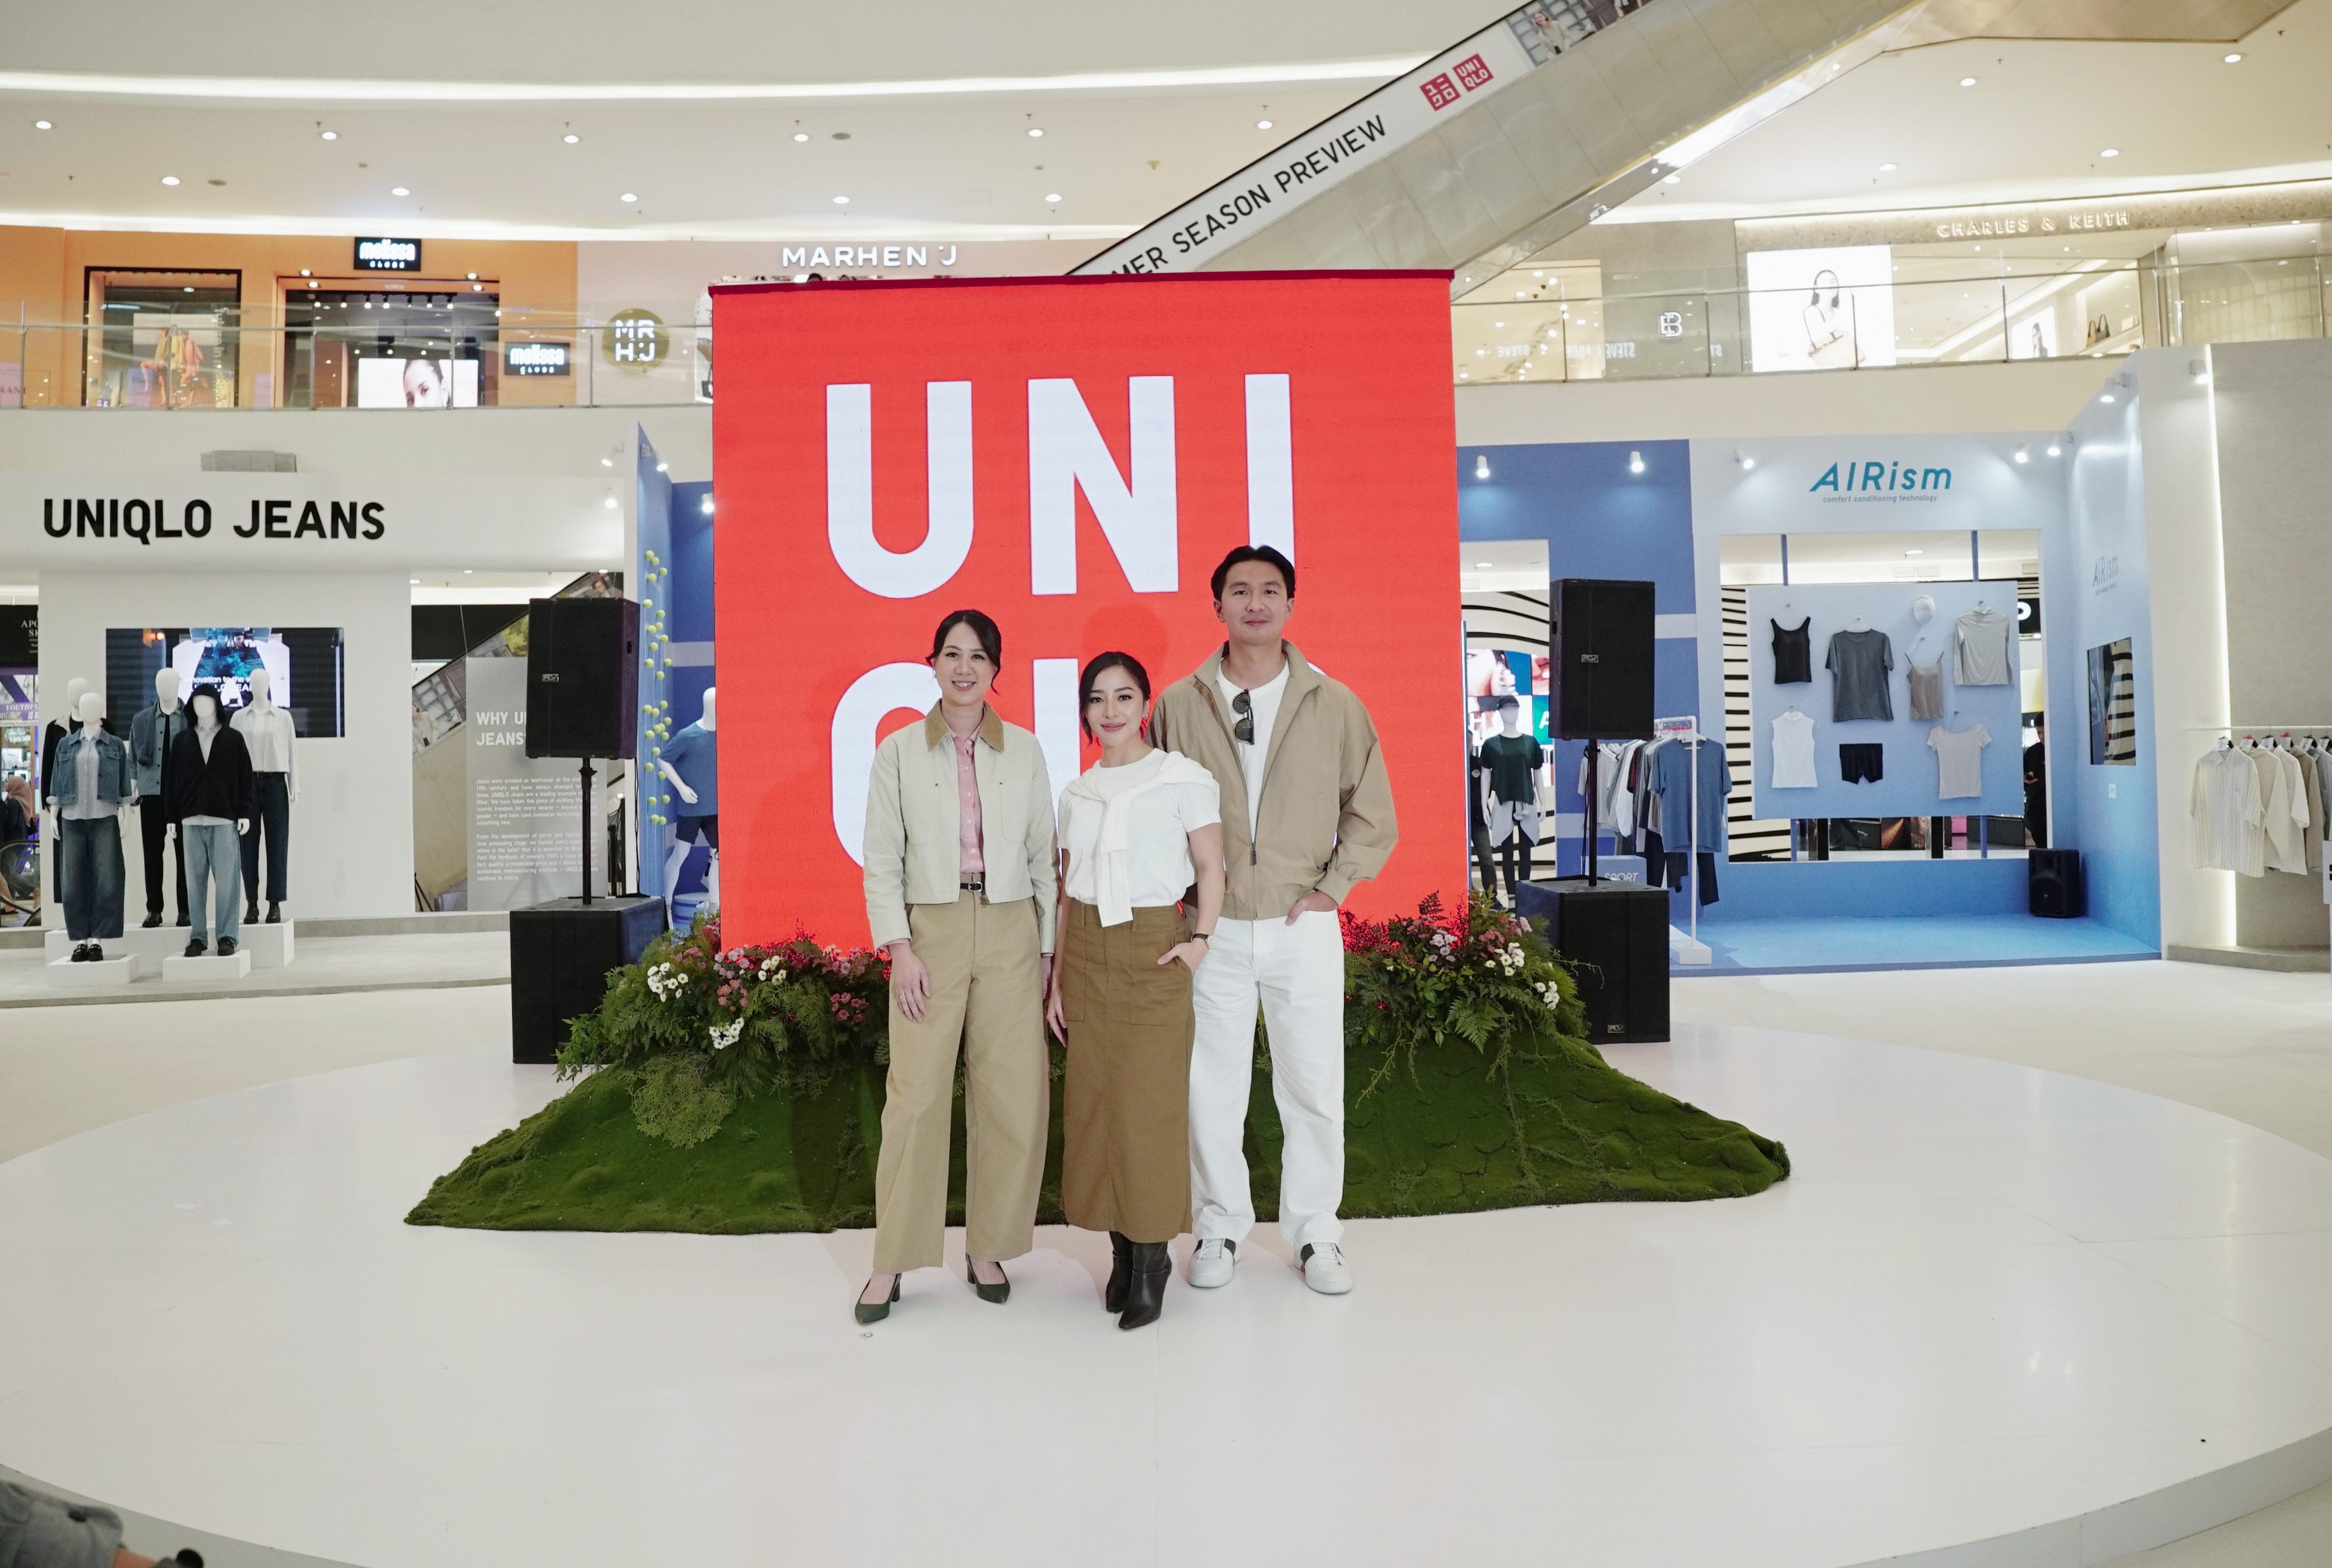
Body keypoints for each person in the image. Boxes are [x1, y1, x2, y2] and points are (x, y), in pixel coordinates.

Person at [1150, 545, 1398, 1297]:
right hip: (1213, 926)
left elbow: (1371, 811)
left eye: (1268, 590)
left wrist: (1333, 887)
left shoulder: (1334, 702)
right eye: (1239, 590)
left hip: (1300, 924)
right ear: (1216, 605)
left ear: (1290, 604)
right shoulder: (1179, 703)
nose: (1254, 603)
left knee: (1313, 1083)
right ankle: (1219, 1226)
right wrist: (1182, 901)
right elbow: (1153, 810)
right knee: (1210, 1086)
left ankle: (1316, 1232)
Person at [855, 609, 1057, 1323]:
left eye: (977, 656)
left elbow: (1042, 857)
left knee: (1011, 1094)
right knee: (914, 1097)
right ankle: (891, 1260)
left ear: (996, 669)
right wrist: (900, 948)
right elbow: (881, 859)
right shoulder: (898, 752)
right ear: (933, 664)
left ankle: (987, 1248)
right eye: (951, 653)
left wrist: (1046, 953)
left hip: (1010, 926)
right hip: (931, 930)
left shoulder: (1025, 750)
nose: (964, 667)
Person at [1046, 652, 1224, 1330]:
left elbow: (1210, 866)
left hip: (1153, 946)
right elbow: (1067, 892)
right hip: (1086, 952)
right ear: (1085, 712)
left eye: (1124, 696)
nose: (1111, 710)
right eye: (1097, 698)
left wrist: (1200, 940)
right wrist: (1058, 981)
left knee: (1148, 1108)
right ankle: (1120, 1252)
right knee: (1095, 1109)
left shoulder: (1183, 778)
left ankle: (1152, 1262)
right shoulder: (1077, 792)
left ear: (1145, 704)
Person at [161, 684, 255, 959]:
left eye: (207, 701)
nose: (202, 706)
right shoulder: (182, 740)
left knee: (227, 882)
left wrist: (245, 813)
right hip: (190, 820)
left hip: (224, 819)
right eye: (197, 701)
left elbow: (245, 778)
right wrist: (172, 817)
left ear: (217, 704)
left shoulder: (233, 739)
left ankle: (227, 937)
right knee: (194, 883)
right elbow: (171, 781)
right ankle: (198, 937)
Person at [2024, 716, 2048, 848]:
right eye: (2039, 733)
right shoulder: (2032, 752)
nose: (2042, 737)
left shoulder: (2061, 752)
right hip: (2036, 808)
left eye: (2045, 733)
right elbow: (2024, 773)